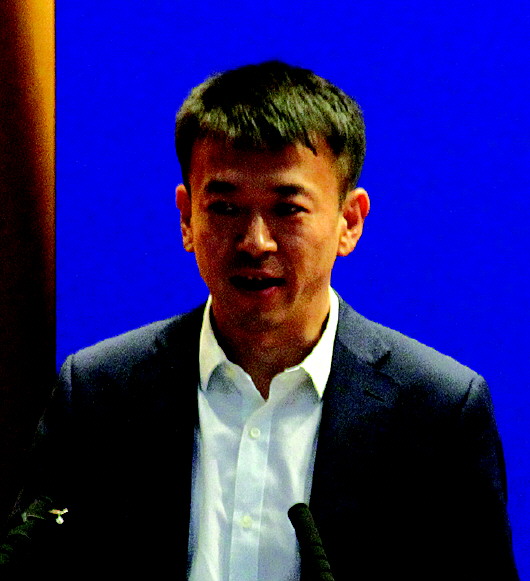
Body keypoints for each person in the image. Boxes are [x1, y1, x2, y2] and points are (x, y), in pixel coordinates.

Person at [2, 61, 518, 580]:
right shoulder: (99, 394)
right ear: (186, 218)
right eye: (225, 208)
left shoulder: (437, 412)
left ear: (349, 222)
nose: (255, 241)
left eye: (287, 209)